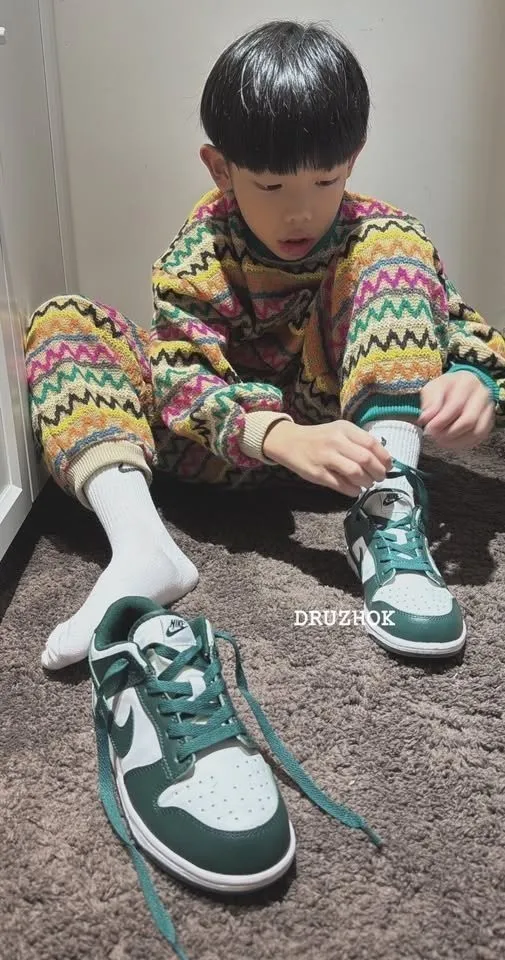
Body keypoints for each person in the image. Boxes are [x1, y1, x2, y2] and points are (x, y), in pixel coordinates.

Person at [26, 20, 505, 671]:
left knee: (391, 243)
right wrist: (276, 436)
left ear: (353, 160)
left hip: (355, 451)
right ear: (220, 169)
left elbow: (465, 331)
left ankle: (389, 515)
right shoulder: (201, 251)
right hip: (227, 451)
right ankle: (141, 547)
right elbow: (184, 376)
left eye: (326, 180)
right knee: (61, 320)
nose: (299, 211)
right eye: (272, 187)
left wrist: (475, 382)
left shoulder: (377, 237)